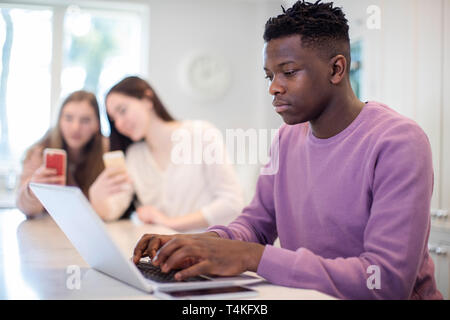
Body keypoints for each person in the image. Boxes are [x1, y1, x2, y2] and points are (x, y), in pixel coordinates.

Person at [131, 1, 443, 300]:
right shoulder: (287, 137)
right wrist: (200, 244)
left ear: (336, 69)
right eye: (270, 76)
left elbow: (384, 282)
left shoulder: (399, 142)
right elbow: (255, 224)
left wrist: (254, 257)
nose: (274, 87)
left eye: (289, 72)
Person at [88, 76, 244, 231]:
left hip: (206, 246)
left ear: (147, 99)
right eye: (114, 120)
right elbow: (115, 209)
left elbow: (232, 202)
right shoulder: (135, 155)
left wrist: (169, 222)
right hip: (163, 250)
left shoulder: (202, 134)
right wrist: (96, 196)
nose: (120, 124)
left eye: (122, 110)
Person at [15, 90, 119, 220]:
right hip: (47, 231)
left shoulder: (107, 151)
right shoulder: (40, 152)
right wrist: (33, 189)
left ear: (97, 125)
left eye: (85, 120)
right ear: (59, 121)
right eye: (68, 118)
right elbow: (22, 206)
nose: (75, 127)